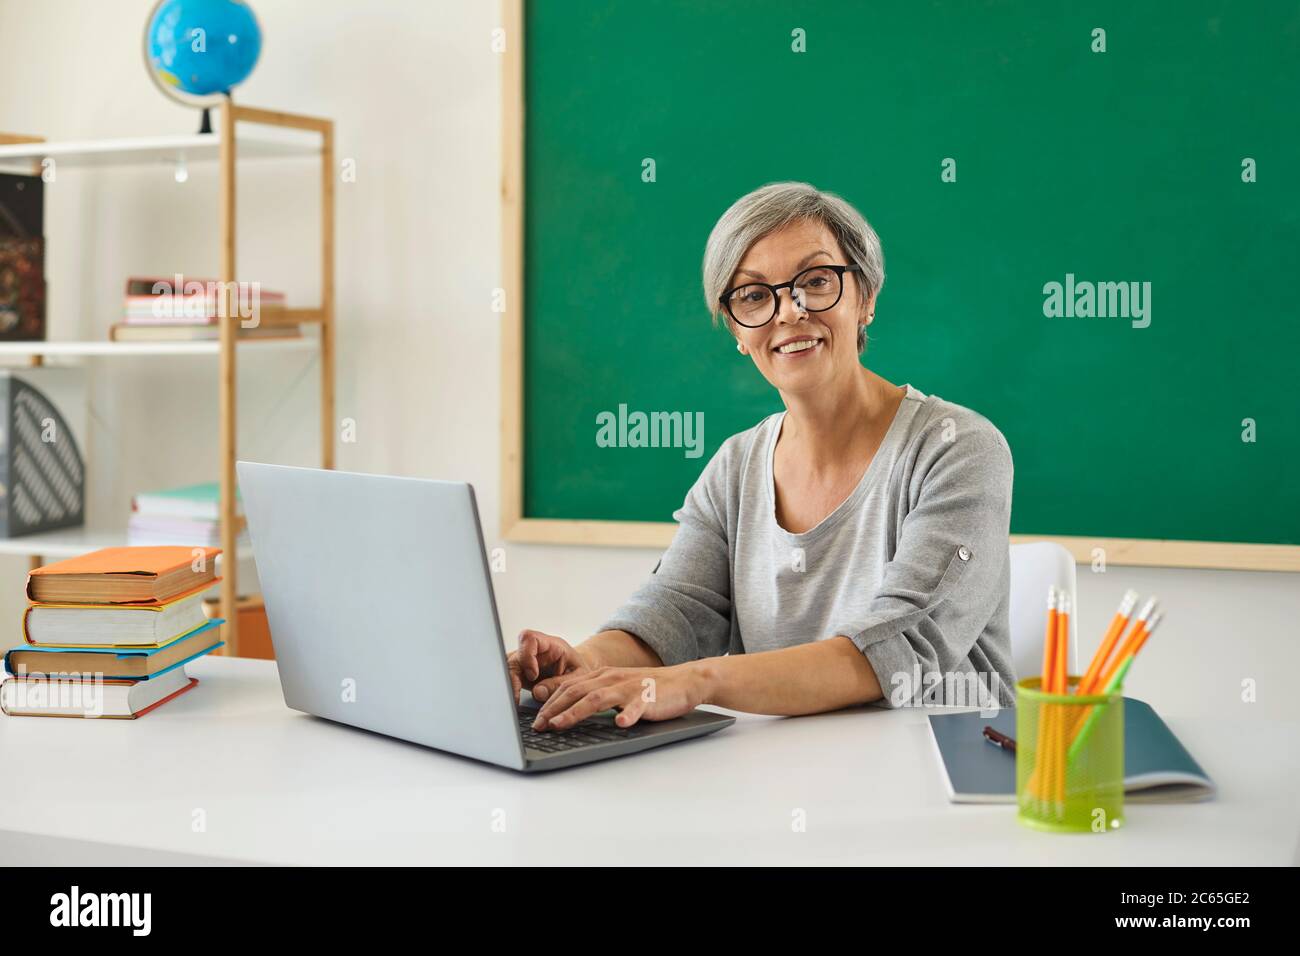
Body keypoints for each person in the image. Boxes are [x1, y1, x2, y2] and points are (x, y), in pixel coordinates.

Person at [512, 182, 1016, 731]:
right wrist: (584, 666)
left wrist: (698, 681)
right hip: (790, 779)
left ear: (865, 297)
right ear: (736, 329)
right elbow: (678, 611)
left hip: (948, 782)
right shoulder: (736, 467)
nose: (789, 312)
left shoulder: (957, 448)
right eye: (753, 295)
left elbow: (900, 650)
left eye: (817, 281)